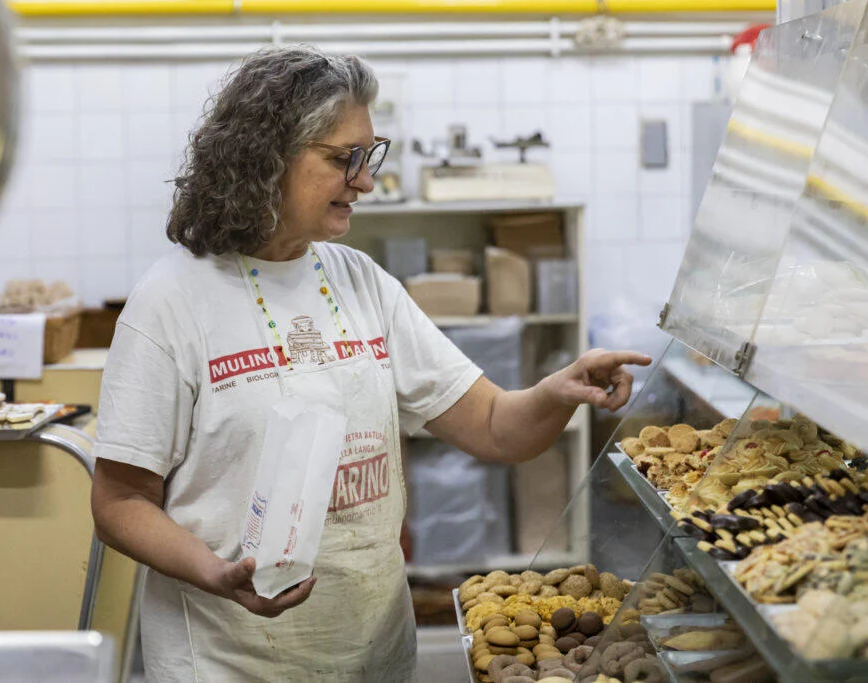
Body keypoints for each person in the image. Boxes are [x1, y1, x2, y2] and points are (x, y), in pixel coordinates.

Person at [90, 44, 650, 683]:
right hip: (231, 660)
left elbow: (494, 425)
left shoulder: (359, 282)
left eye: (369, 156)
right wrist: (215, 573)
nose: (365, 181)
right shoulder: (172, 302)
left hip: (371, 654)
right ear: (264, 157)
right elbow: (120, 501)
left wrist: (557, 391)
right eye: (342, 159)